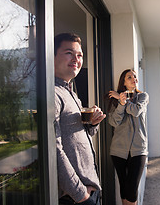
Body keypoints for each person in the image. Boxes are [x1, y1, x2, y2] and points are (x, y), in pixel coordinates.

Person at [54, 33, 106, 205]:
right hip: (74, 198)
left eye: (79, 55)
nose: (76, 59)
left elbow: (79, 136)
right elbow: (53, 150)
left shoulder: (72, 94)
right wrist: (81, 195)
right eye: (69, 53)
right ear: (51, 55)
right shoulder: (52, 94)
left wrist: (93, 124)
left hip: (89, 190)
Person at [107, 69, 149, 205]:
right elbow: (113, 122)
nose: (133, 79)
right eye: (129, 77)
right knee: (124, 189)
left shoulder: (143, 97)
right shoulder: (116, 101)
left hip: (138, 150)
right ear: (123, 82)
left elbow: (136, 111)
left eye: (134, 76)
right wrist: (121, 103)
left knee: (132, 190)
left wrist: (121, 98)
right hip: (118, 150)